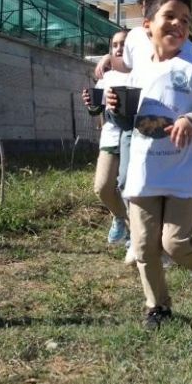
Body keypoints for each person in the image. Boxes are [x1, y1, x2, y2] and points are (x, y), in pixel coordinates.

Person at [107, 0, 192, 330]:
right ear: (148, 26)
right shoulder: (138, 73)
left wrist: (191, 120)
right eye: (170, 16)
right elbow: (129, 123)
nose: (178, 24)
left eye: (185, 20)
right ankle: (157, 306)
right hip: (144, 173)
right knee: (144, 245)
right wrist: (114, 110)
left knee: (174, 243)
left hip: (180, 175)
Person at [96, 0, 192, 267]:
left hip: (168, 122)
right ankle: (137, 238)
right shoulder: (136, 36)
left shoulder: (181, 39)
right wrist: (106, 59)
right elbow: (125, 65)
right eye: (144, 2)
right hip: (134, 118)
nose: (147, 6)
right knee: (128, 179)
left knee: (161, 187)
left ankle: (164, 246)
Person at [83, 30, 130, 245]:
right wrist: (91, 103)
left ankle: (139, 233)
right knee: (102, 187)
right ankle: (120, 218)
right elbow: (97, 108)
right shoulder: (108, 76)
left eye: (124, 43)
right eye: (115, 45)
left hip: (135, 138)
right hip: (111, 139)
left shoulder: (143, 71)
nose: (119, 48)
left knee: (128, 188)